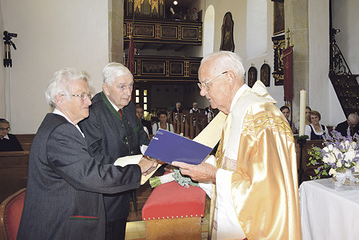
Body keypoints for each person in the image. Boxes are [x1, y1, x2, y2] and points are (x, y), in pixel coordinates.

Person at [172, 51, 301, 239]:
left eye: (206, 84)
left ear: (229, 78)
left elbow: (268, 192)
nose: (202, 92)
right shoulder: (235, 112)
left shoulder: (260, 116)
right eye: (201, 85)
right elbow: (235, 167)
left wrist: (214, 175)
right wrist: (203, 164)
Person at [18, 68, 156, 239]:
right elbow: (92, 175)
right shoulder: (61, 133)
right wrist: (137, 169)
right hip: (59, 227)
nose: (89, 102)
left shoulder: (63, 127)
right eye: (81, 96)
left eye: (88, 95)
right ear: (60, 100)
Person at [79, 63, 151, 240]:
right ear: (106, 87)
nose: (128, 92)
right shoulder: (92, 111)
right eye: (122, 87)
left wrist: (152, 153)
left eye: (130, 85)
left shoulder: (129, 107)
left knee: (119, 231)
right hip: (105, 195)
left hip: (125, 188)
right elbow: (94, 155)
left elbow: (141, 136)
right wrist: (133, 165)